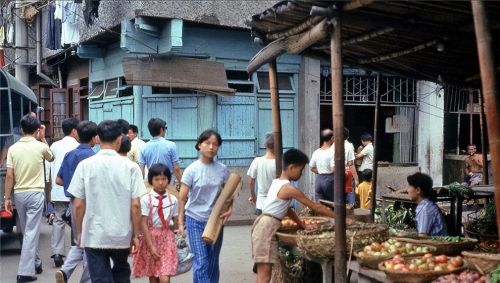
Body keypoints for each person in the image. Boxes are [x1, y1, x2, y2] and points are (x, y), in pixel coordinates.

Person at [68, 120, 147, 282]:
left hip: (94, 234)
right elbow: (136, 204)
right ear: (119, 139)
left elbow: (78, 204)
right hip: (122, 233)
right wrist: (136, 234)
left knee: (100, 277)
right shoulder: (131, 167)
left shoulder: (85, 165)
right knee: (121, 272)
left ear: (98, 138)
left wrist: (80, 232)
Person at [251, 148, 335, 283]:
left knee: (263, 275)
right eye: (300, 170)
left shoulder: (277, 182)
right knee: (264, 276)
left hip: (264, 226)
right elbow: (315, 206)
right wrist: (339, 218)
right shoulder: (289, 189)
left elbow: (287, 210)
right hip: (266, 228)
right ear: (292, 167)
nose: (301, 174)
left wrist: (301, 225)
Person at [3, 114, 54, 283]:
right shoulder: (40, 147)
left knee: (27, 231)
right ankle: (24, 272)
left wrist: (6, 198)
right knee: (31, 232)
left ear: (21, 129)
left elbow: (9, 176)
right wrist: (43, 138)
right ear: (37, 130)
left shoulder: (13, 149)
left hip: (19, 194)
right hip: (35, 193)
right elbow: (51, 157)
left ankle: (36, 262)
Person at [178, 129, 231, 283]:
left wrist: (229, 209)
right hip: (194, 220)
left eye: (215, 144)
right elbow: (182, 198)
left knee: (212, 263)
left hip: (216, 221)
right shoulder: (191, 170)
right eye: (207, 143)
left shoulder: (223, 170)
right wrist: (181, 223)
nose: (211, 147)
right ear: (199, 145)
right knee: (201, 262)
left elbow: (229, 194)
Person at [54, 121, 98, 283]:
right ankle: (86, 279)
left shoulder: (70, 155)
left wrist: (71, 185)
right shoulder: (93, 157)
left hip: (72, 203)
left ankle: (65, 271)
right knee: (89, 244)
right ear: (94, 138)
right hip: (89, 204)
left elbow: (58, 180)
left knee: (79, 242)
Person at [132, 163, 179, 283]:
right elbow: (143, 223)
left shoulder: (173, 200)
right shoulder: (146, 199)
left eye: (164, 179)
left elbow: (175, 221)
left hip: (167, 238)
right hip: (150, 238)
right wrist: (151, 246)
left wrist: (178, 229)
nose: (160, 182)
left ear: (168, 179)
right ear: (151, 180)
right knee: (153, 276)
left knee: (164, 278)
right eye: (157, 179)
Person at [50, 117, 80, 267]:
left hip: (58, 189)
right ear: (74, 130)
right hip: (74, 191)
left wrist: (51, 191)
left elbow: (50, 168)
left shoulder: (54, 145)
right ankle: (77, 251)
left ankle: (57, 252)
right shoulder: (78, 146)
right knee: (76, 220)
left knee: (58, 220)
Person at [139, 118, 182, 187]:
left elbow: (141, 170)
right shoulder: (171, 145)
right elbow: (176, 168)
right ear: (162, 129)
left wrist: (141, 186)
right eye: (166, 128)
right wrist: (180, 183)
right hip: (167, 181)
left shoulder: (144, 147)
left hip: (152, 181)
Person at [406, 172, 448, 237]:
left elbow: (423, 237)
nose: (407, 190)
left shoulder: (425, 209)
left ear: (418, 190)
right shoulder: (426, 204)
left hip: (436, 245)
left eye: (409, 186)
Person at [247, 133, 276, 215]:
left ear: (265, 145)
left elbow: (251, 182)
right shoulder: (280, 162)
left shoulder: (257, 161)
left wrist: (253, 196)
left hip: (261, 203)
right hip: (276, 203)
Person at [309, 129, 334, 201]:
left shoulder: (316, 152)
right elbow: (333, 169)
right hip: (329, 180)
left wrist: (320, 171)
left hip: (319, 179)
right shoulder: (332, 152)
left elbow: (311, 167)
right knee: (332, 204)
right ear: (332, 138)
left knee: (320, 205)